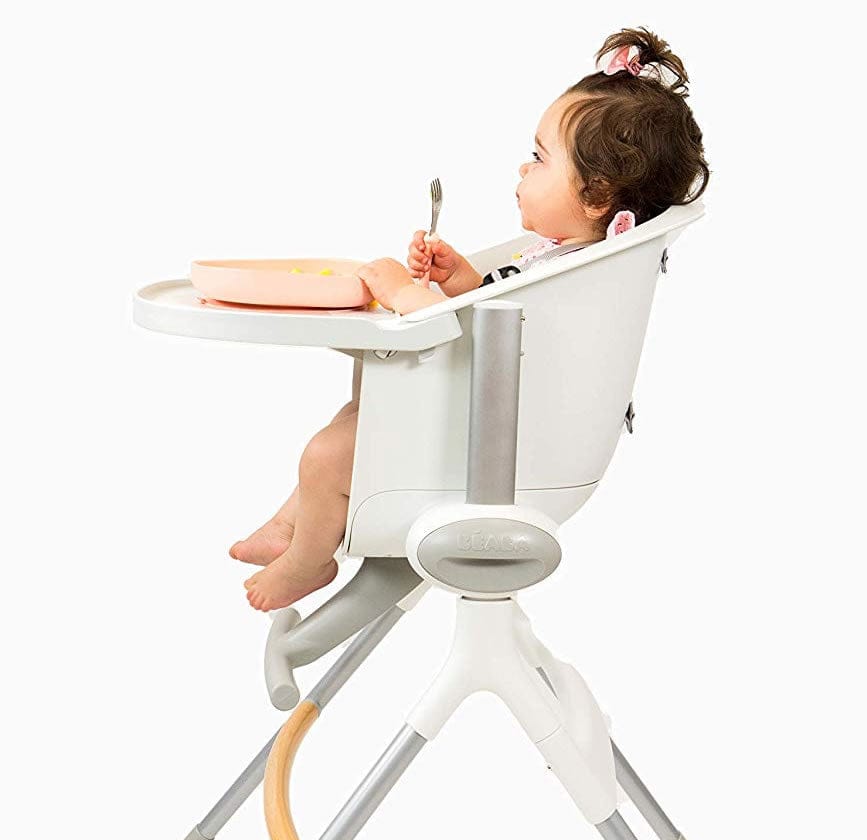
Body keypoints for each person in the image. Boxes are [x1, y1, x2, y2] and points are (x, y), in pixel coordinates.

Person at [233, 25, 711, 611]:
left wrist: (398, 288)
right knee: (350, 418)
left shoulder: (577, 271)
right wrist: (457, 274)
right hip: (479, 422)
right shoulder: (565, 262)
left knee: (327, 455)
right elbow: (494, 307)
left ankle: (310, 561)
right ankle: (293, 523)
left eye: (539, 159)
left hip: (485, 445)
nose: (523, 170)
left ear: (595, 194)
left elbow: (453, 331)